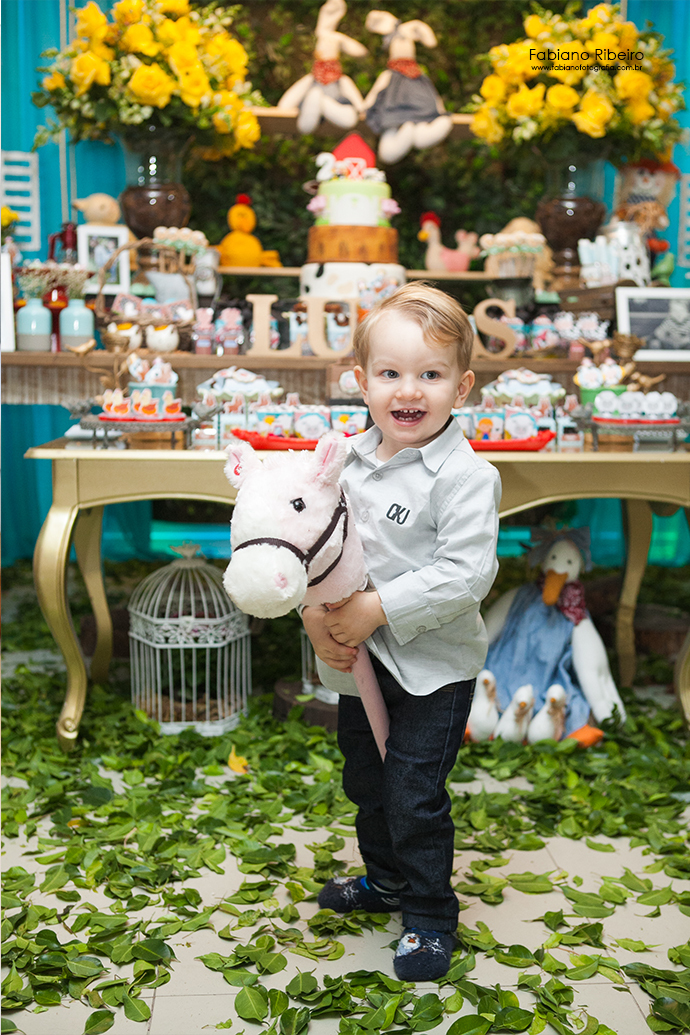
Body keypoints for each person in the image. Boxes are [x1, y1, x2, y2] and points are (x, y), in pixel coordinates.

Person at [301, 282, 501, 981]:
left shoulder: (467, 476)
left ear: (462, 386)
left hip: (433, 670)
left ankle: (430, 914)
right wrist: (314, 617)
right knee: (367, 779)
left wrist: (376, 607)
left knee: (414, 793)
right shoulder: (341, 465)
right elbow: (315, 551)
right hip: (360, 665)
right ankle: (385, 880)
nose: (408, 390)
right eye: (390, 373)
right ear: (362, 382)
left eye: (431, 374)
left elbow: (465, 575)